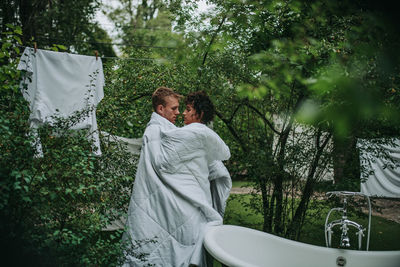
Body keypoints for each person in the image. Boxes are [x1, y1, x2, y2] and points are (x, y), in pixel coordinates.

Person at [122, 89, 231, 267]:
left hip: (193, 196)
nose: (179, 113)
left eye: (184, 109)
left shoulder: (177, 131)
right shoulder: (156, 131)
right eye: (175, 109)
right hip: (171, 203)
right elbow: (162, 163)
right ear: (160, 109)